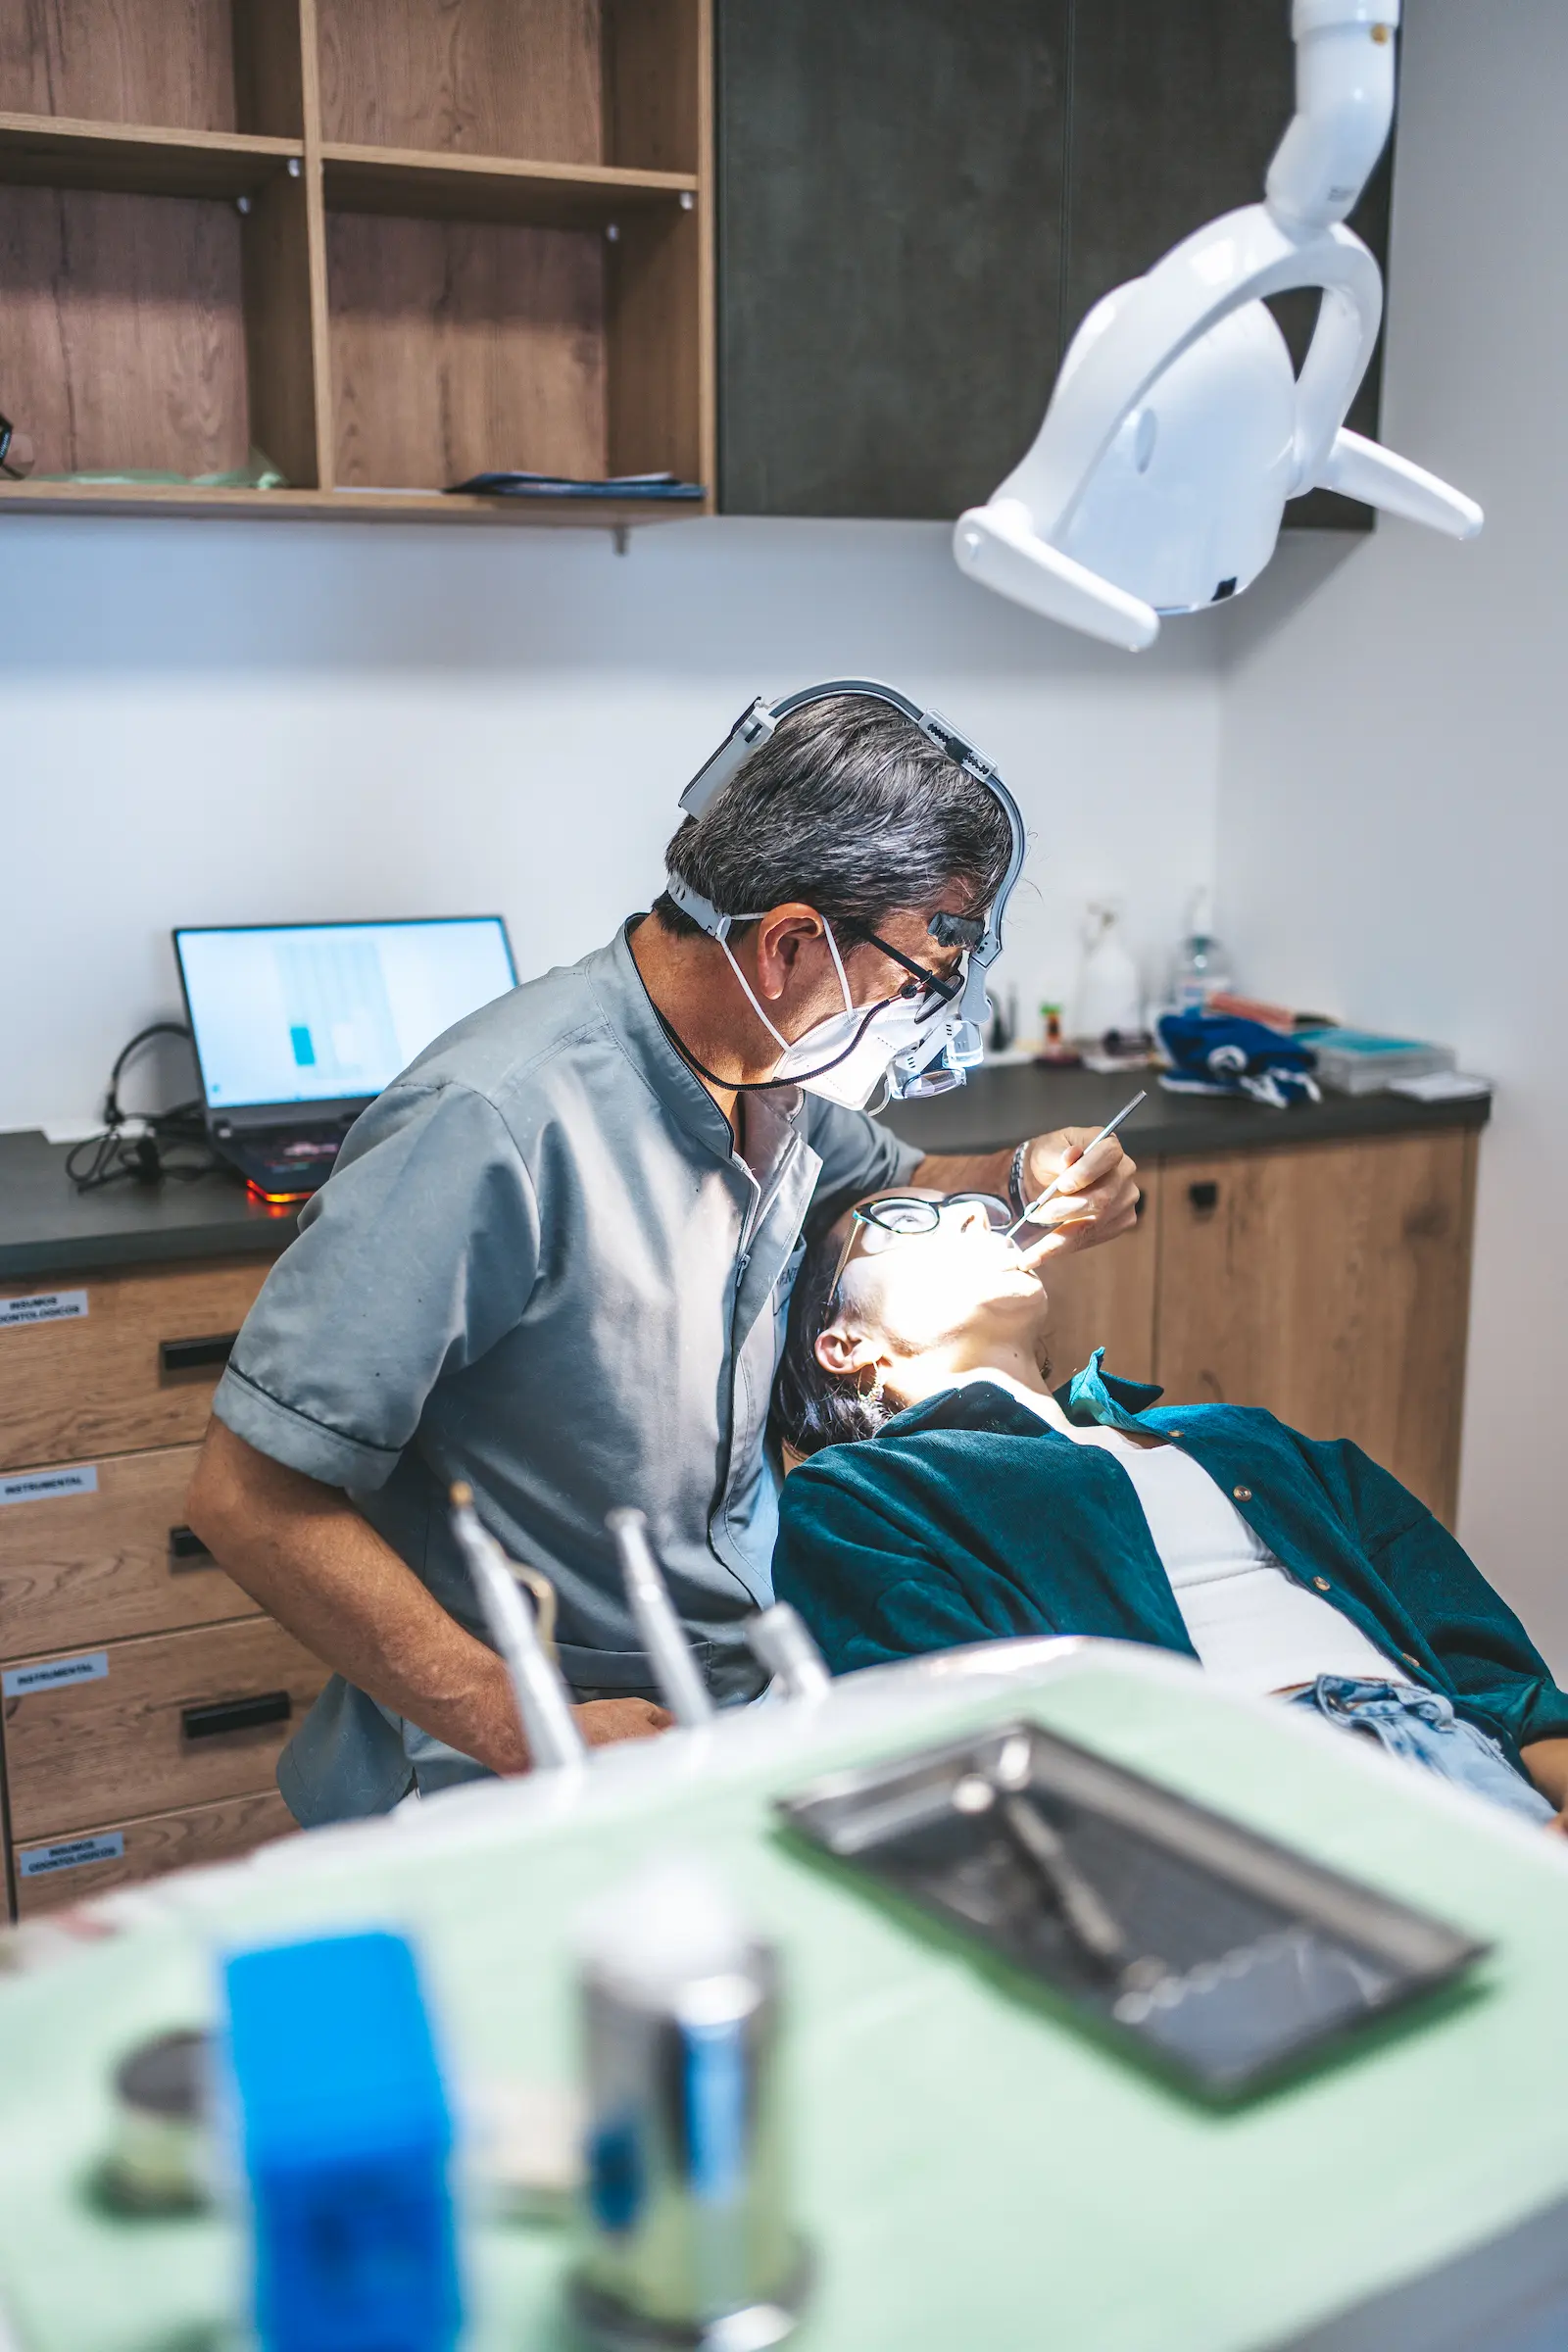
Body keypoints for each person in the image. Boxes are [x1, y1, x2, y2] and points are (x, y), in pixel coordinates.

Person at [185, 693, 1140, 1824]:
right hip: (519, 1756)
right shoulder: (494, 1125)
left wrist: (1023, 1176)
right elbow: (246, 1497)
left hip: (737, 1699)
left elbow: (905, 1184)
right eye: (916, 976)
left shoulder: (766, 1074)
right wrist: (515, 1721)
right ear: (790, 943)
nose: (920, 1014)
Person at [770, 1188, 1568, 1827]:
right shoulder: (860, 1494)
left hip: (1460, 1760)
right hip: (1233, 1809)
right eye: (907, 1219)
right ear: (845, 1343)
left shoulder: (1245, 1437)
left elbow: (1483, 1659)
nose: (977, 1217)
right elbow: (965, 1746)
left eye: (974, 1206)